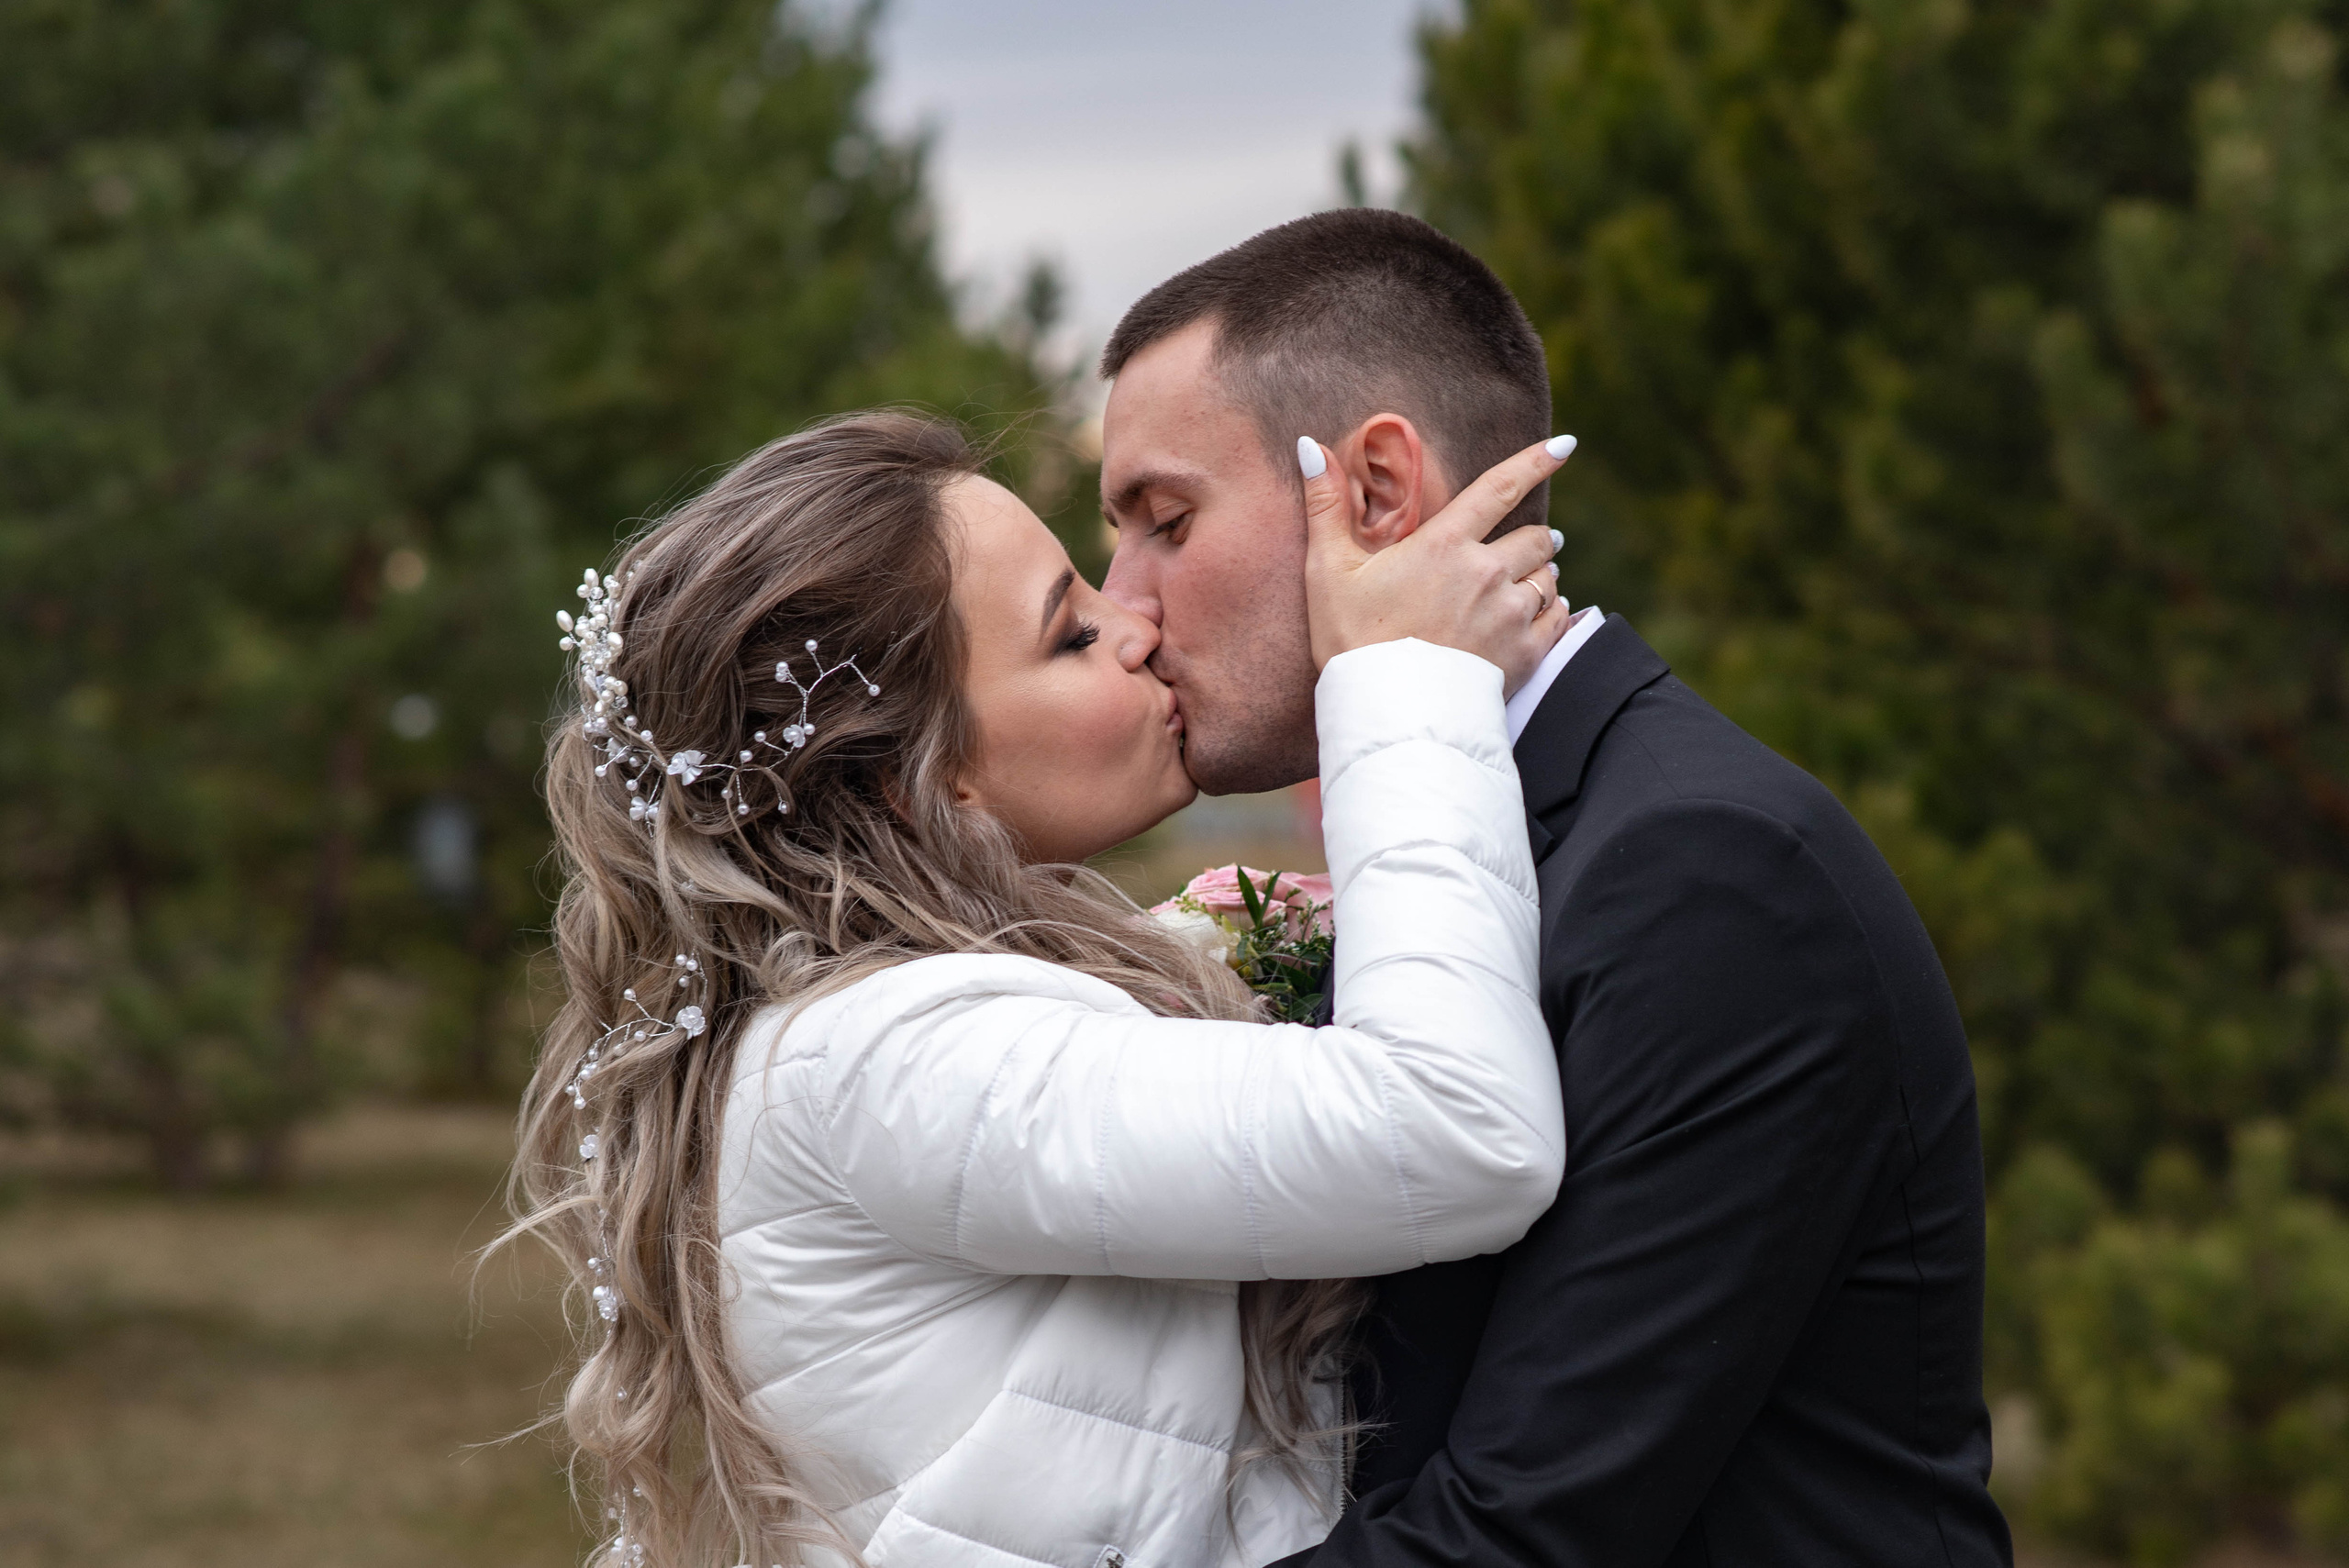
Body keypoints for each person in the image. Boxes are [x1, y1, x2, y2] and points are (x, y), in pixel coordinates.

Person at [509, 408, 1584, 1568]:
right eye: (1071, 633)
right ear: (919, 783)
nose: (1137, 624)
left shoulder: (889, 1027)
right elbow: (1458, 1127)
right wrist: (1407, 678)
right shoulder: (886, 1058)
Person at [1097, 208, 2014, 1567]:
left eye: (1165, 522)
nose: (1124, 605)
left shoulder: (1708, 874)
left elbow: (1521, 1534)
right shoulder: (1468, 857)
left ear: (1377, 492)